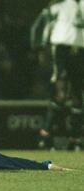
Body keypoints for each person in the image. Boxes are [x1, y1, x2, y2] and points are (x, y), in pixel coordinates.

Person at [36, 0, 84, 151]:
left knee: (77, 94)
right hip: (61, 48)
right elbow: (44, 23)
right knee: (61, 93)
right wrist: (42, 46)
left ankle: (76, 138)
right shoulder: (60, 5)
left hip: (80, 48)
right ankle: (45, 135)